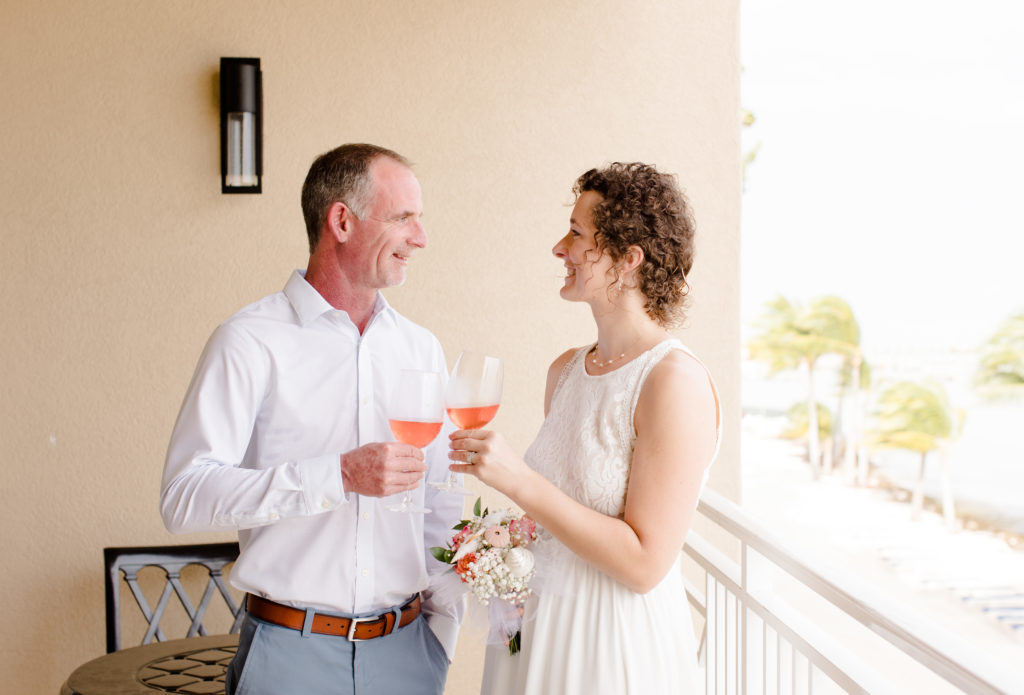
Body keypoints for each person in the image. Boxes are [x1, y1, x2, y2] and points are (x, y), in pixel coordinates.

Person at [160, 144, 463, 695]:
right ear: (341, 221)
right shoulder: (249, 341)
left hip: (409, 658)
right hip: (288, 662)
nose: (421, 238)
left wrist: (441, 635)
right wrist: (338, 476)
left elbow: (440, 502)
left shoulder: (422, 349)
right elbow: (185, 496)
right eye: (403, 218)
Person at [448, 162, 721, 693]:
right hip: (537, 633)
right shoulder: (566, 370)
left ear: (628, 259)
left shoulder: (672, 382)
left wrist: (517, 480)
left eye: (576, 234)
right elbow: (563, 513)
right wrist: (501, 543)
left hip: (611, 648)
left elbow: (645, 564)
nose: (559, 248)